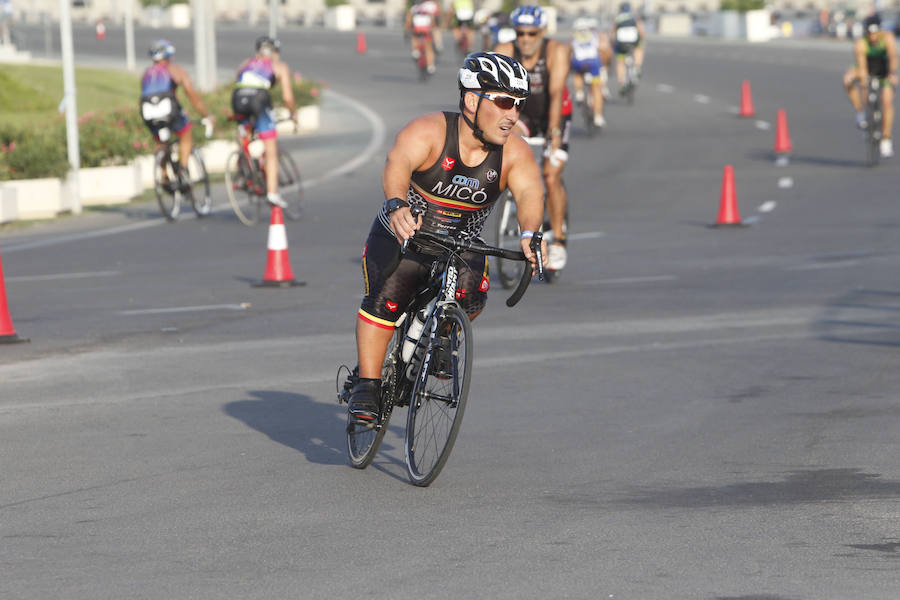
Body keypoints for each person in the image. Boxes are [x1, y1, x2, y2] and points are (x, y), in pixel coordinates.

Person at [347, 52, 548, 422]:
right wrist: (396, 205)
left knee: (472, 295)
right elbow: (397, 164)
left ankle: (441, 332)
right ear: (472, 100)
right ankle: (368, 384)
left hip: (461, 246)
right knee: (387, 300)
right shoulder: (429, 131)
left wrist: (531, 232)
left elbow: (531, 193)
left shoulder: (514, 152)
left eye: (519, 104)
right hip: (407, 236)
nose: (513, 115)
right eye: (504, 102)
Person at [494, 4, 572, 273]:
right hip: (522, 116)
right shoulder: (504, 50)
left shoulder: (556, 51)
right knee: (507, 145)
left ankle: (559, 239)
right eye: (520, 33)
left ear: (542, 32)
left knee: (550, 174)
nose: (525, 39)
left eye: (531, 33)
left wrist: (554, 135)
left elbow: (556, 92)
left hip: (555, 113)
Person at [232, 36, 297, 208]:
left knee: (244, 134)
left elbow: (238, 79)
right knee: (270, 148)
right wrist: (292, 113)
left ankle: (244, 167)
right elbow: (287, 97)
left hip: (238, 98)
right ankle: (272, 193)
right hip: (259, 100)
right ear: (275, 53)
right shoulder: (279, 66)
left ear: (257, 52)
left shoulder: (246, 63)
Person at [140, 40, 214, 180]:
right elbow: (191, 95)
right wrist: (206, 114)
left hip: (148, 112)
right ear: (168, 56)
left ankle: (163, 175)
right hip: (169, 110)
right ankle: (183, 170)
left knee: (160, 142)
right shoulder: (175, 70)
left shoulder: (146, 73)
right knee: (185, 132)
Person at [843, 13, 899, 158]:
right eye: (869, 33)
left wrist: (892, 73)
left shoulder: (887, 38)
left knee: (887, 102)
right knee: (848, 79)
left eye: (875, 33)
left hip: (884, 69)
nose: (872, 37)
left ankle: (886, 138)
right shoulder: (861, 43)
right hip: (867, 67)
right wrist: (864, 83)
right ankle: (861, 112)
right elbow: (862, 67)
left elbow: (893, 56)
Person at [570, 17, 611, 128]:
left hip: (578, 62)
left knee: (577, 74)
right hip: (593, 62)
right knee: (596, 88)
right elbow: (603, 50)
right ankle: (598, 116)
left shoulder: (574, 37)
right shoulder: (595, 35)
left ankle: (579, 93)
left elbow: (570, 51)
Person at [611, 2, 646, 92]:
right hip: (634, 42)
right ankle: (637, 67)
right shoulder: (634, 17)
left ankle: (621, 83)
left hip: (621, 44)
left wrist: (612, 43)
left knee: (620, 62)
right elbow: (641, 32)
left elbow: (612, 33)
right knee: (639, 48)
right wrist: (642, 39)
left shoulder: (617, 18)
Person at [405, 1, 441, 75]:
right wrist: (432, 28)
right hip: (426, 30)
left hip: (417, 29)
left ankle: (415, 51)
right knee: (429, 48)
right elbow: (432, 21)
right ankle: (430, 66)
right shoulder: (428, 8)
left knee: (414, 37)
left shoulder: (413, 8)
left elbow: (408, 20)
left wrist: (406, 31)